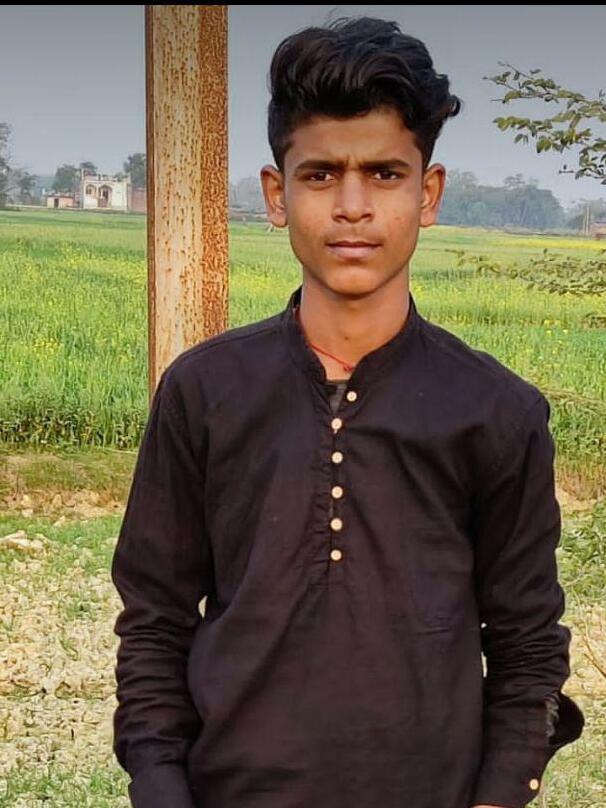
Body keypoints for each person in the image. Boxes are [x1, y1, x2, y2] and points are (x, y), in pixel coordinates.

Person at [110, 15, 585, 808]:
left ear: (428, 193)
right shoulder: (205, 391)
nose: (353, 206)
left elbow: (527, 645)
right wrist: (160, 787)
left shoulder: (496, 412)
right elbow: (155, 620)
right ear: (278, 193)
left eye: (386, 174)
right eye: (322, 174)